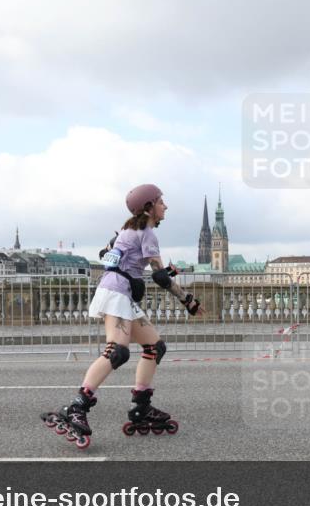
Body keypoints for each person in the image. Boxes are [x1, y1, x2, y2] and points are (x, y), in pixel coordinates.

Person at [43, 184, 202, 445]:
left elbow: (107, 254)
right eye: (161, 202)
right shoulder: (147, 232)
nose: (166, 206)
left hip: (122, 295)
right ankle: (76, 407)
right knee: (117, 351)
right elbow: (160, 276)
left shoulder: (129, 229)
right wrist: (187, 300)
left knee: (155, 347)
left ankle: (141, 407)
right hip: (115, 294)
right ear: (149, 207)